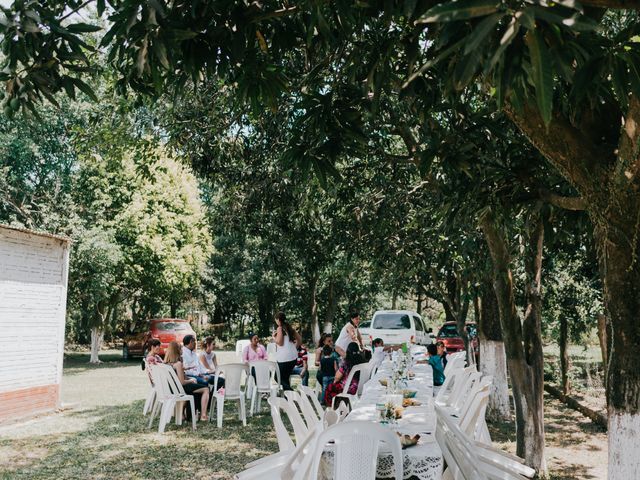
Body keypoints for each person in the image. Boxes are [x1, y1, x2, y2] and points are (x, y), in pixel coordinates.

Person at [164, 341, 210, 421]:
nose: (182, 350)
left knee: (197, 388)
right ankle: (203, 415)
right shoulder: (178, 364)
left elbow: (182, 376)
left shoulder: (166, 363)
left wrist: (190, 379)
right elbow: (182, 382)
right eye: (181, 348)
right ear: (177, 350)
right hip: (179, 389)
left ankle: (184, 415)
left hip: (171, 388)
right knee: (206, 389)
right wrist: (191, 380)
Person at [324, 342, 365, 407]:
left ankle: (335, 408)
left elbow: (337, 377)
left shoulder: (347, 362)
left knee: (329, 388)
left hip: (348, 388)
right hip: (360, 388)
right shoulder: (363, 362)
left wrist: (334, 382)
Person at [273, 311, 301, 391]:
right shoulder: (289, 328)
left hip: (284, 359)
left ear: (278, 320)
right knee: (285, 378)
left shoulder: (279, 328)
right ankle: (288, 398)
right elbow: (299, 339)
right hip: (293, 357)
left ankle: (292, 393)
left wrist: (274, 338)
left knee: (277, 377)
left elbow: (280, 343)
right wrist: (294, 348)